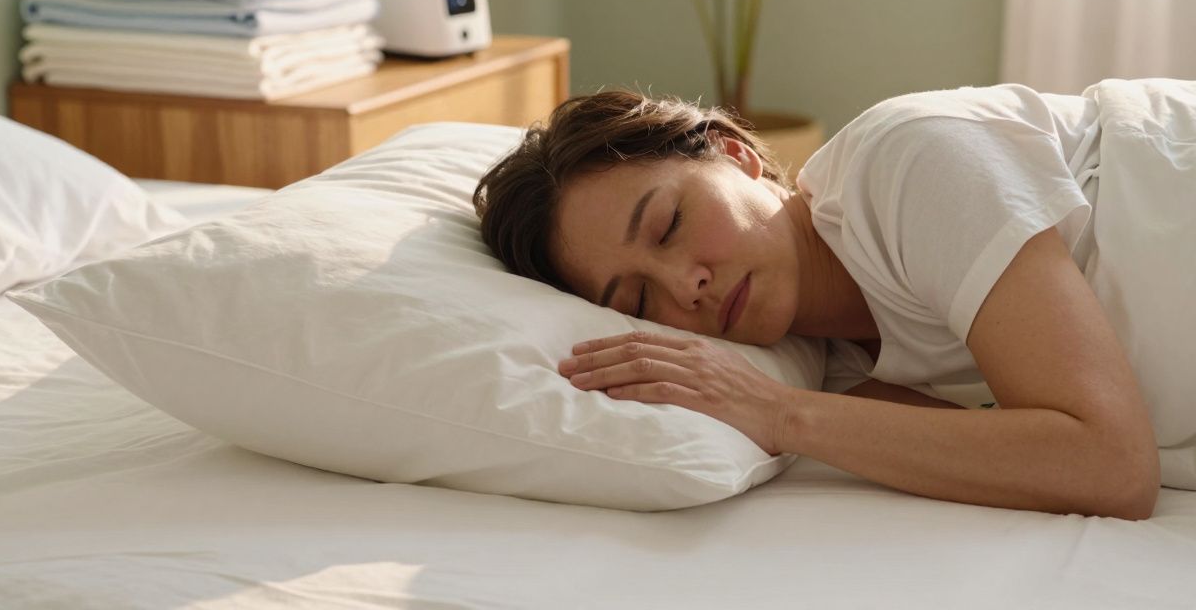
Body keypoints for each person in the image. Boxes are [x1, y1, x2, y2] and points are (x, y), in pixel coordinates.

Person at [472, 79, 1196, 520]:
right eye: (635, 298)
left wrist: (780, 413)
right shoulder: (841, 367)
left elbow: (1110, 467)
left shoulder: (908, 162)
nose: (684, 286)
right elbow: (1028, 463)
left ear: (735, 154)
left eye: (669, 226)